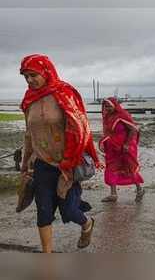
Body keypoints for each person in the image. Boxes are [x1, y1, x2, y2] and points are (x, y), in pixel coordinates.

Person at [19, 54, 100, 253]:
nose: (29, 80)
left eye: (33, 75)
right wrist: (25, 163)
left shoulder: (64, 93)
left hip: (67, 164)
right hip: (41, 165)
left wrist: (69, 163)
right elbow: (29, 134)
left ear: (46, 72)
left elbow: (79, 128)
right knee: (43, 212)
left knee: (69, 211)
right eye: (25, 76)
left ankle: (87, 223)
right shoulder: (29, 100)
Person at [99, 97, 145, 203]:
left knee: (129, 168)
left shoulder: (123, 115)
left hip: (124, 148)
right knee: (111, 168)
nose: (107, 108)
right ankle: (113, 194)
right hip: (112, 148)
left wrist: (127, 144)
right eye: (106, 106)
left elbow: (133, 129)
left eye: (109, 106)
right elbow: (108, 133)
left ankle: (139, 189)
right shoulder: (108, 117)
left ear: (115, 105)